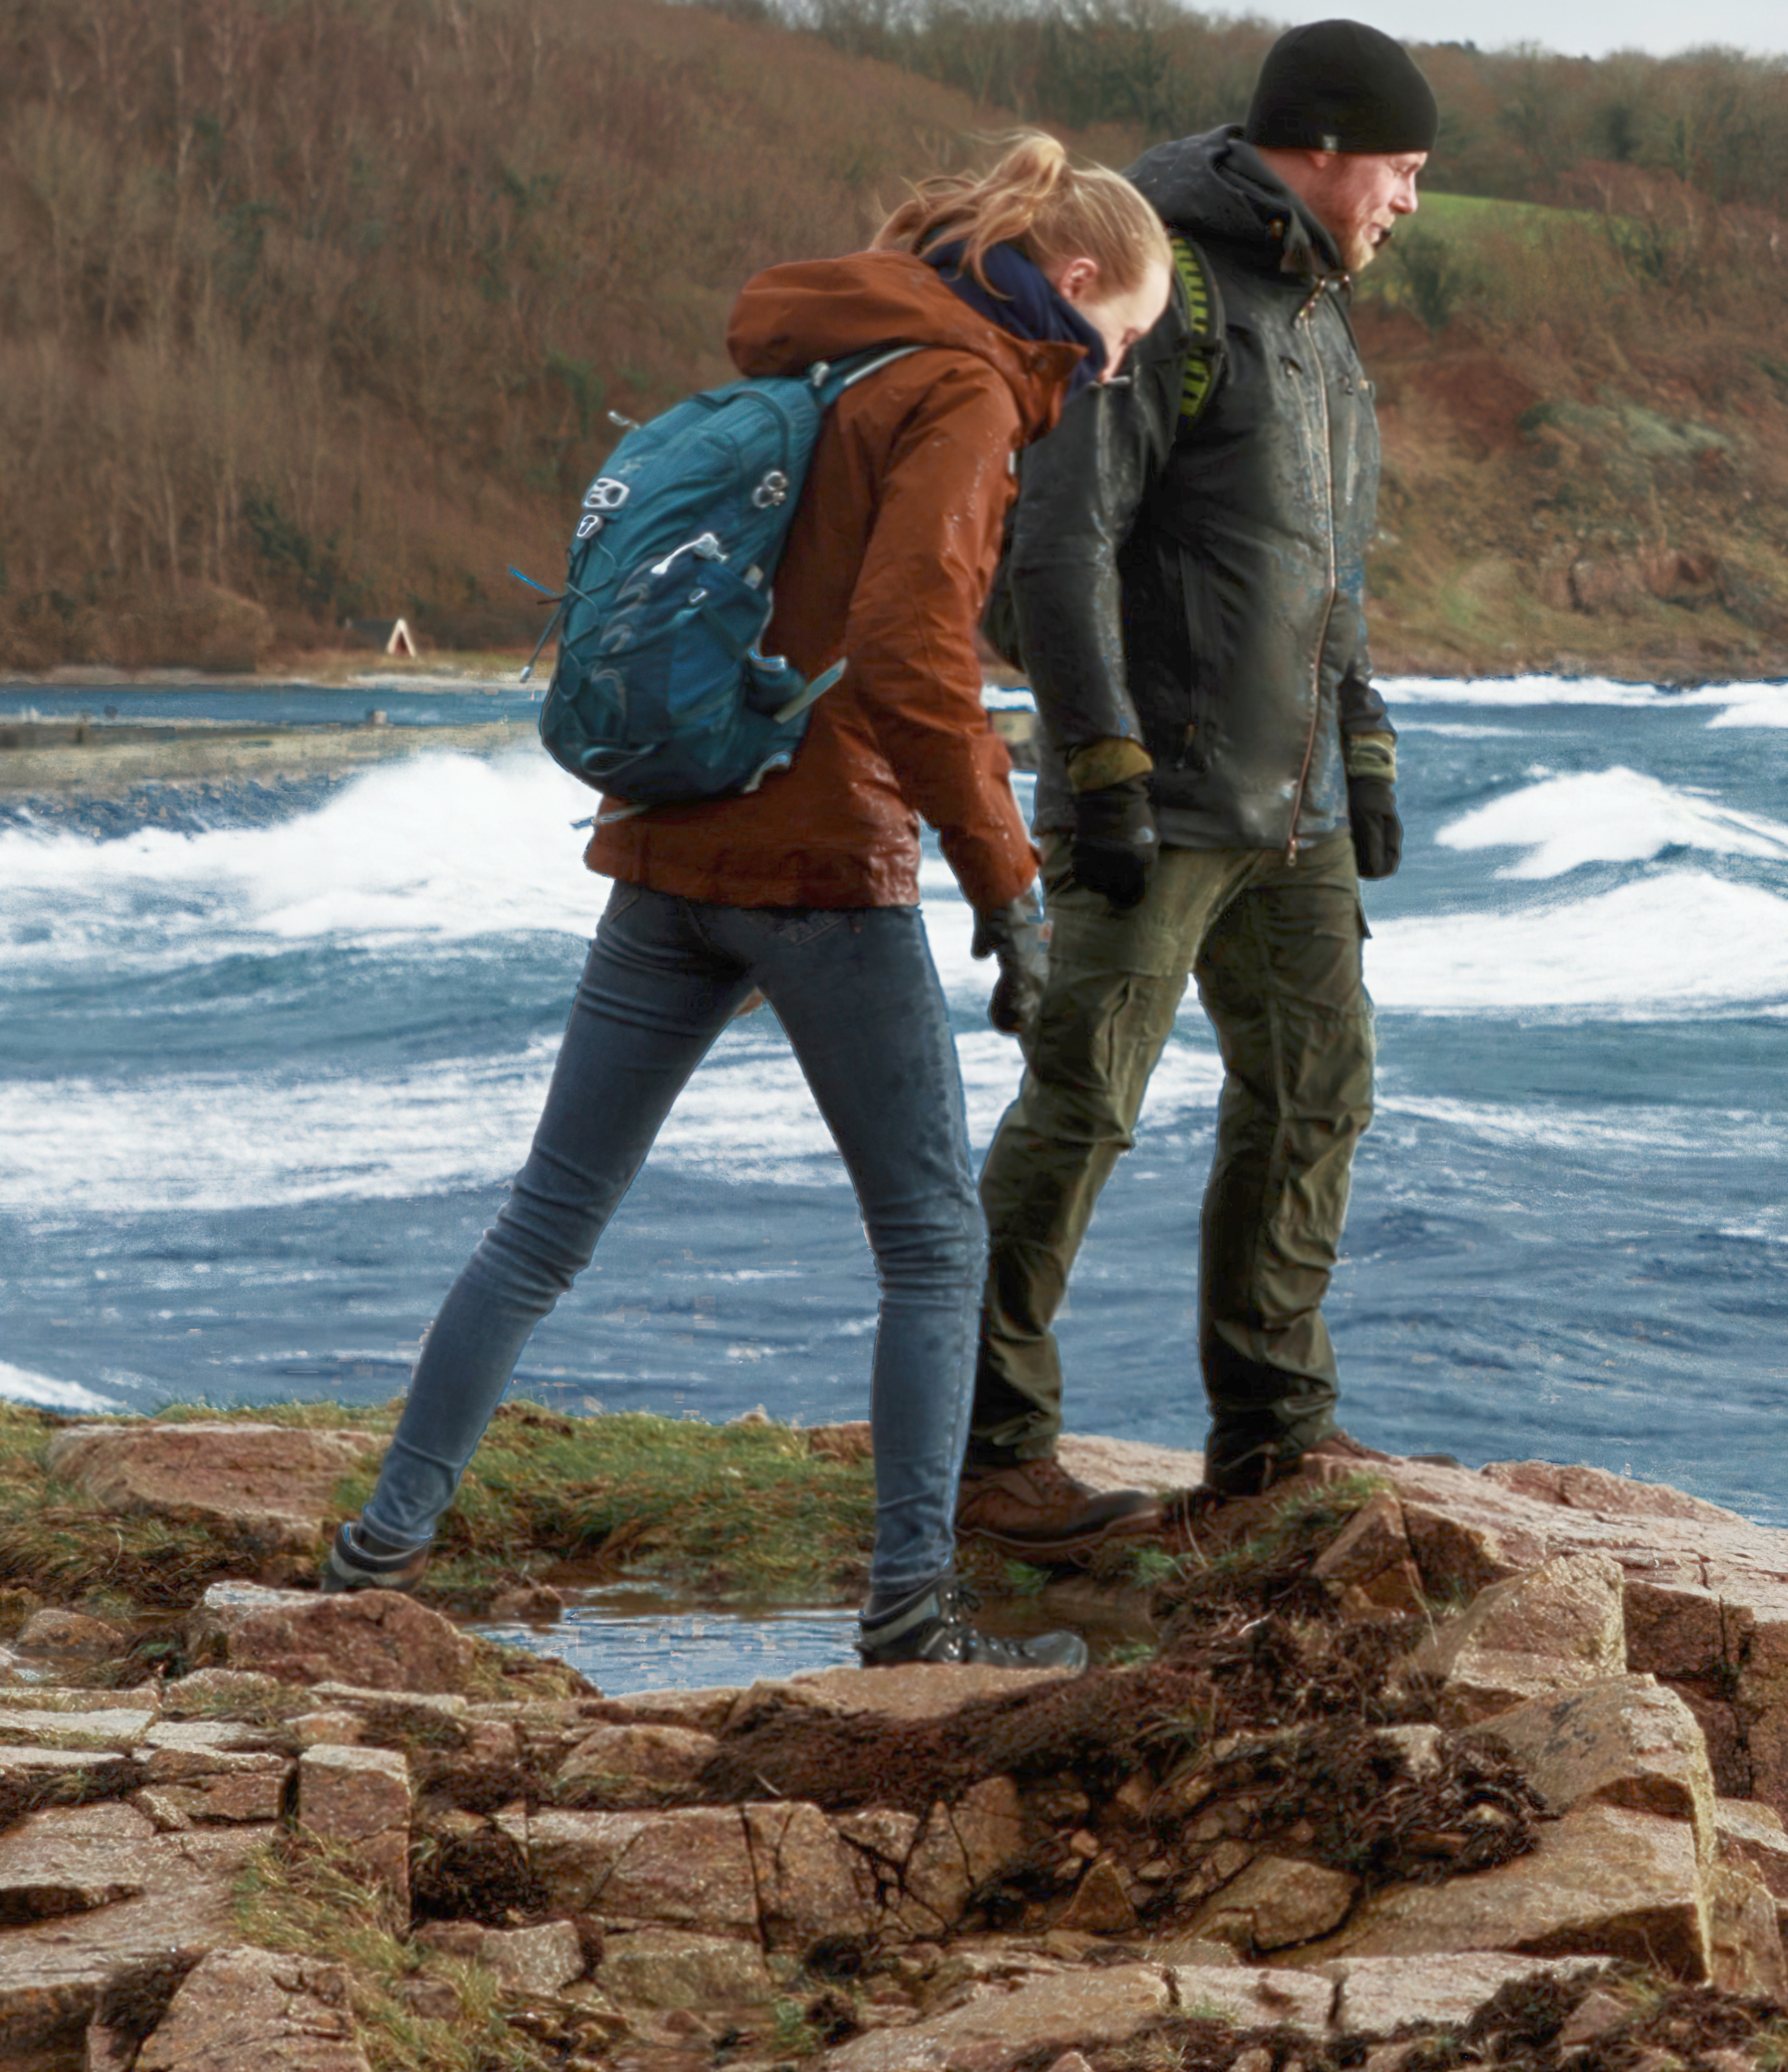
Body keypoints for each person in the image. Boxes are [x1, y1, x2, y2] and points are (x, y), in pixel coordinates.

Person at [323, 134, 1175, 1668]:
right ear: (1080, 284)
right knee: (931, 1244)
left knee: (542, 1229)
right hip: (818, 860)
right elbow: (915, 659)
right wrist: (1010, 886)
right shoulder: (968, 391)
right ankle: (914, 1619)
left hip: (672, 839)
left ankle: (371, 1557)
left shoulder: (847, 352)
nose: (1105, 383)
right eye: (1115, 352)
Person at [956, 21, 1427, 1554]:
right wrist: (1098, 762)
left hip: (1287, 812)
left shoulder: (1320, 317)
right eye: (1403, 171)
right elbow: (1061, 541)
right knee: (1083, 1104)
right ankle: (990, 1451)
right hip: (1151, 800)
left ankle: (1274, 1432)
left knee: (1316, 1095)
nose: (1409, 203)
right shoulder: (1179, 292)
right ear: (1326, 149)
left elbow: (1322, 562)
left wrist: (1360, 744)